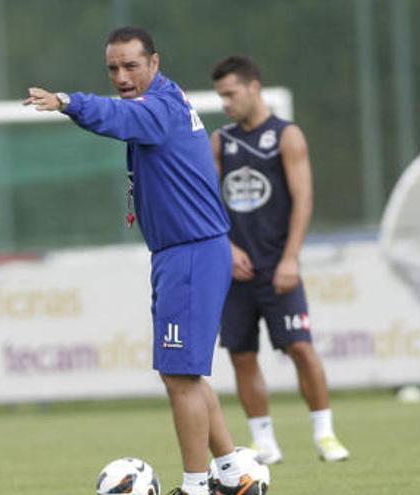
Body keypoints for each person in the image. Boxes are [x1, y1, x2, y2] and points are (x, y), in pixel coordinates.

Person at [24, 27, 260, 495]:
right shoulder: (164, 101)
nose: (122, 76)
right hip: (183, 252)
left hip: (190, 253)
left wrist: (70, 101)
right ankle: (234, 476)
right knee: (184, 373)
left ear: (154, 62)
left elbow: (114, 116)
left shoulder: (159, 108)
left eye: (131, 65)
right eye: (113, 68)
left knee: (179, 376)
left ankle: (195, 487)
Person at [209, 54, 349, 464]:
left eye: (231, 94)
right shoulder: (222, 142)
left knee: (300, 348)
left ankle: (324, 433)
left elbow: (303, 199)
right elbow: (207, 201)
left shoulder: (286, 136)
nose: (226, 103)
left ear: (254, 88)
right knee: (241, 354)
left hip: (277, 266)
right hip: (235, 270)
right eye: (221, 96)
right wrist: (227, 248)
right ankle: (264, 442)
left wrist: (291, 259)